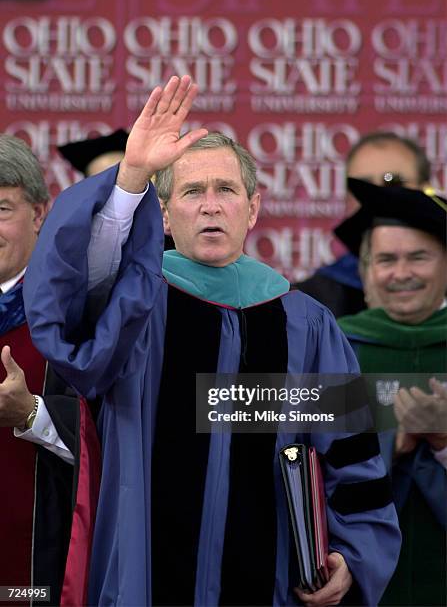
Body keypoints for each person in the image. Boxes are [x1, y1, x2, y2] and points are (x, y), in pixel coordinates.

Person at [24, 76, 401, 606]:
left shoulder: (308, 326)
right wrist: (132, 176)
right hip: (147, 579)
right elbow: (68, 290)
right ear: (165, 215)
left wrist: (352, 557)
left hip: (269, 583)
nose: (210, 205)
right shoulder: (131, 310)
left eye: (226, 189)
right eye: (192, 191)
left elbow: (352, 459)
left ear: (252, 208)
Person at [336, 177, 447, 606]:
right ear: (365, 273)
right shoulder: (333, 350)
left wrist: (441, 442)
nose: (401, 273)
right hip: (357, 584)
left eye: (418, 257)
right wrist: (392, 440)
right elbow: (299, 457)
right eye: (386, 259)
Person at [0, 134, 100, 606]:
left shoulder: (73, 316)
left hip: (37, 577)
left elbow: (113, 441)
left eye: (2, 210)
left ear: (39, 214)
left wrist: (31, 413)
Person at [298, 132, 432, 317]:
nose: (376, 195)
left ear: (427, 190)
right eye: (362, 185)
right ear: (346, 197)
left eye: (393, 182)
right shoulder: (310, 303)